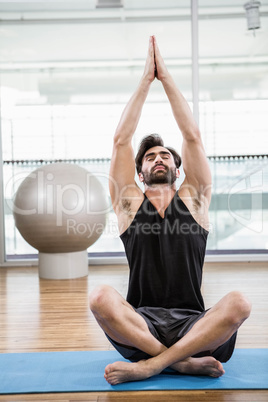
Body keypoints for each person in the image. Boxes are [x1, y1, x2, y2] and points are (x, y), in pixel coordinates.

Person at [89, 36, 251, 385]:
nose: (159, 158)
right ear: (139, 174)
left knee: (239, 303)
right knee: (100, 297)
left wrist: (167, 78)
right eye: (150, 156)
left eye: (165, 156)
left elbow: (192, 136)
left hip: (195, 325)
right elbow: (121, 140)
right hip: (141, 325)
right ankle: (181, 363)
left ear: (178, 171)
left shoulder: (195, 199)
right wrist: (146, 80)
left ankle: (151, 365)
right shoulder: (128, 203)